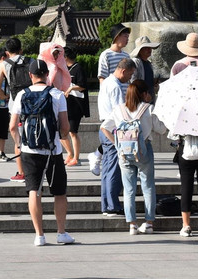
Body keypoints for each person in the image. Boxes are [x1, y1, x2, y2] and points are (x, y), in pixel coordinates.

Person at [9, 59, 74, 247]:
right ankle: (61, 232)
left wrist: (20, 144)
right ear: (47, 74)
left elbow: (13, 126)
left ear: (30, 75)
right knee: (59, 193)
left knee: (34, 191)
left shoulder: (21, 95)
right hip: (52, 152)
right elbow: (65, 127)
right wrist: (58, 138)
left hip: (29, 151)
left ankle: (39, 235)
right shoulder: (57, 95)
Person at [101, 79, 156, 235]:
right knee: (148, 186)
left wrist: (116, 144)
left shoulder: (119, 110)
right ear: (144, 94)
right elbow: (161, 129)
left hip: (124, 152)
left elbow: (104, 127)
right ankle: (149, 223)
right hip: (144, 150)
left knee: (128, 189)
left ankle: (132, 224)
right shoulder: (148, 109)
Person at [97, 58, 135, 216]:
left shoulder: (106, 82)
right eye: (130, 74)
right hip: (113, 129)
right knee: (114, 168)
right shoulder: (116, 87)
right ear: (123, 71)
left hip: (104, 126)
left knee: (107, 167)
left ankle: (107, 204)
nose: (130, 79)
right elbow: (120, 112)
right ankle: (112, 205)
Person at [0, 37, 30, 181]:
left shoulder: (3, 64)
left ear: (7, 52)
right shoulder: (31, 61)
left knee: (18, 139)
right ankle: (35, 170)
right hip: (33, 103)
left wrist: (6, 97)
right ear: (21, 49)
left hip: (15, 105)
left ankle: (21, 173)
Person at [63, 46, 89, 166]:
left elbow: (83, 85)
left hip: (76, 104)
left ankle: (76, 158)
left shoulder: (78, 68)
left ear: (66, 57)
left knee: (73, 132)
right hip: (66, 104)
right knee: (62, 132)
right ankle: (70, 153)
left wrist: (71, 88)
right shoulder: (63, 69)